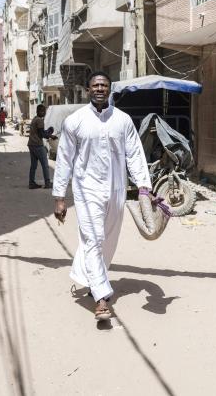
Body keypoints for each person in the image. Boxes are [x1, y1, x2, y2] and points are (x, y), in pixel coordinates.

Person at [52, 71, 151, 321]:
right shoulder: (75, 121)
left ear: (110, 90)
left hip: (116, 190)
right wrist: (60, 197)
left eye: (104, 85)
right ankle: (101, 299)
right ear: (88, 90)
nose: (99, 89)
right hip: (86, 191)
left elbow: (135, 154)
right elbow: (64, 160)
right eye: (95, 85)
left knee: (107, 240)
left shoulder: (123, 120)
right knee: (94, 239)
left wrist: (143, 187)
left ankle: (90, 279)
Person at [28, 104, 56, 189]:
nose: (44, 113)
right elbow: (42, 134)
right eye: (43, 111)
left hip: (31, 144)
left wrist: (48, 132)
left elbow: (40, 132)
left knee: (33, 165)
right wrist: (51, 136)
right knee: (45, 164)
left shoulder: (35, 119)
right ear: (39, 111)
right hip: (37, 145)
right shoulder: (40, 120)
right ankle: (47, 183)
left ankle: (31, 183)